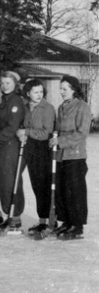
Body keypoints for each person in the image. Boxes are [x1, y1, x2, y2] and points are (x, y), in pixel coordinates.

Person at [49, 76, 91, 240]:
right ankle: (66, 221)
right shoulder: (61, 107)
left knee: (75, 192)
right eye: (60, 89)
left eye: (64, 89)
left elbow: (82, 132)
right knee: (62, 190)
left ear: (74, 89)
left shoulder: (82, 107)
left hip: (75, 156)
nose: (61, 92)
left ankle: (77, 225)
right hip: (61, 156)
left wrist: (60, 141)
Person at [0, 71, 26, 233]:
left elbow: (12, 127)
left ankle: (15, 216)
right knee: (3, 180)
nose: (4, 86)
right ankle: (8, 213)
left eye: (8, 83)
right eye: (2, 83)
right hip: (3, 145)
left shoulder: (15, 101)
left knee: (10, 180)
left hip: (11, 145)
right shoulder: (3, 101)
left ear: (15, 84)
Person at [17, 79, 55, 236]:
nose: (39, 95)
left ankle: (48, 222)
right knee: (35, 185)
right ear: (28, 93)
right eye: (35, 92)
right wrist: (22, 133)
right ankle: (42, 221)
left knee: (43, 186)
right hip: (30, 148)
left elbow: (47, 132)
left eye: (41, 91)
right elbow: (22, 126)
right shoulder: (26, 107)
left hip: (43, 149)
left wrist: (26, 132)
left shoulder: (48, 108)